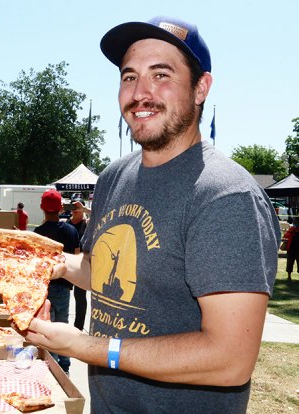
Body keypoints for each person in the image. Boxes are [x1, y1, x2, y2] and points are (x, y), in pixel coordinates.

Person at [22, 17, 280, 413]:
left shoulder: (227, 197)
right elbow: (103, 272)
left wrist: (85, 347)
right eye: (129, 77)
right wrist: (54, 262)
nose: (140, 93)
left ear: (200, 87)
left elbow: (230, 360)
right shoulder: (114, 176)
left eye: (161, 74)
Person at [33, 189, 80, 374]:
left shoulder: (38, 233)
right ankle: (65, 365)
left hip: (44, 287)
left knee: (46, 326)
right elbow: (76, 259)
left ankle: (50, 365)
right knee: (63, 324)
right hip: (64, 286)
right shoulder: (71, 230)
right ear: (61, 208)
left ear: (42, 208)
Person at [66, 200, 88, 330]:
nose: (74, 208)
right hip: (66, 263)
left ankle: (78, 327)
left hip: (81, 264)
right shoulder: (66, 223)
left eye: (77, 206)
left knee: (80, 296)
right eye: (72, 206)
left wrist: (84, 209)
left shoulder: (87, 223)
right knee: (63, 294)